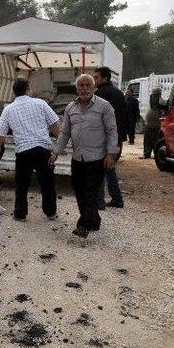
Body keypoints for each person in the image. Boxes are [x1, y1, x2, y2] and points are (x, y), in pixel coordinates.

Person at [50, 74, 119, 238]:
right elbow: (65, 132)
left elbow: (112, 131)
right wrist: (55, 152)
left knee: (89, 191)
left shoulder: (104, 106)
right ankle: (94, 220)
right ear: (76, 88)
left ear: (94, 88)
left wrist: (111, 154)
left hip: (97, 158)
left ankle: (83, 225)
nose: (85, 88)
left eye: (88, 85)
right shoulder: (70, 108)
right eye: (81, 85)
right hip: (77, 158)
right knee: (79, 190)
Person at [0, 79, 61, 221]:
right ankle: (50, 213)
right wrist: (60, 145)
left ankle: (20, 215)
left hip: (23, 152)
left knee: (22, 185)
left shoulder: (9, 109)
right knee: (47, 183)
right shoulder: (41, 103)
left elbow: (0, 134)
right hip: (43, 150)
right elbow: (55, 126)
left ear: (14, 92)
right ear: (28, 90)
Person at [94, 67, 127, 209]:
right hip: (117, 137)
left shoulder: (99, 94)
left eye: (96, 77)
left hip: (104, 138)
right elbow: (125, 117)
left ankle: (99, 202)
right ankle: (117, 199)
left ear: (104, 78)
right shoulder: (120, 93)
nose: (95, 80)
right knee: (109, 167)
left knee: (99, 169)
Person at [141, 87, 165, 159]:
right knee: (147, 140)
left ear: (158, 95)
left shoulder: (161, 101)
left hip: (155, 125)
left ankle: (156, 154)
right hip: (148, 124)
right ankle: (146, 154)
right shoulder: (151, 101)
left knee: (155, 140)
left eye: (154, 94)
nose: (153, 96)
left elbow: (163, 106)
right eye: (152, 94)